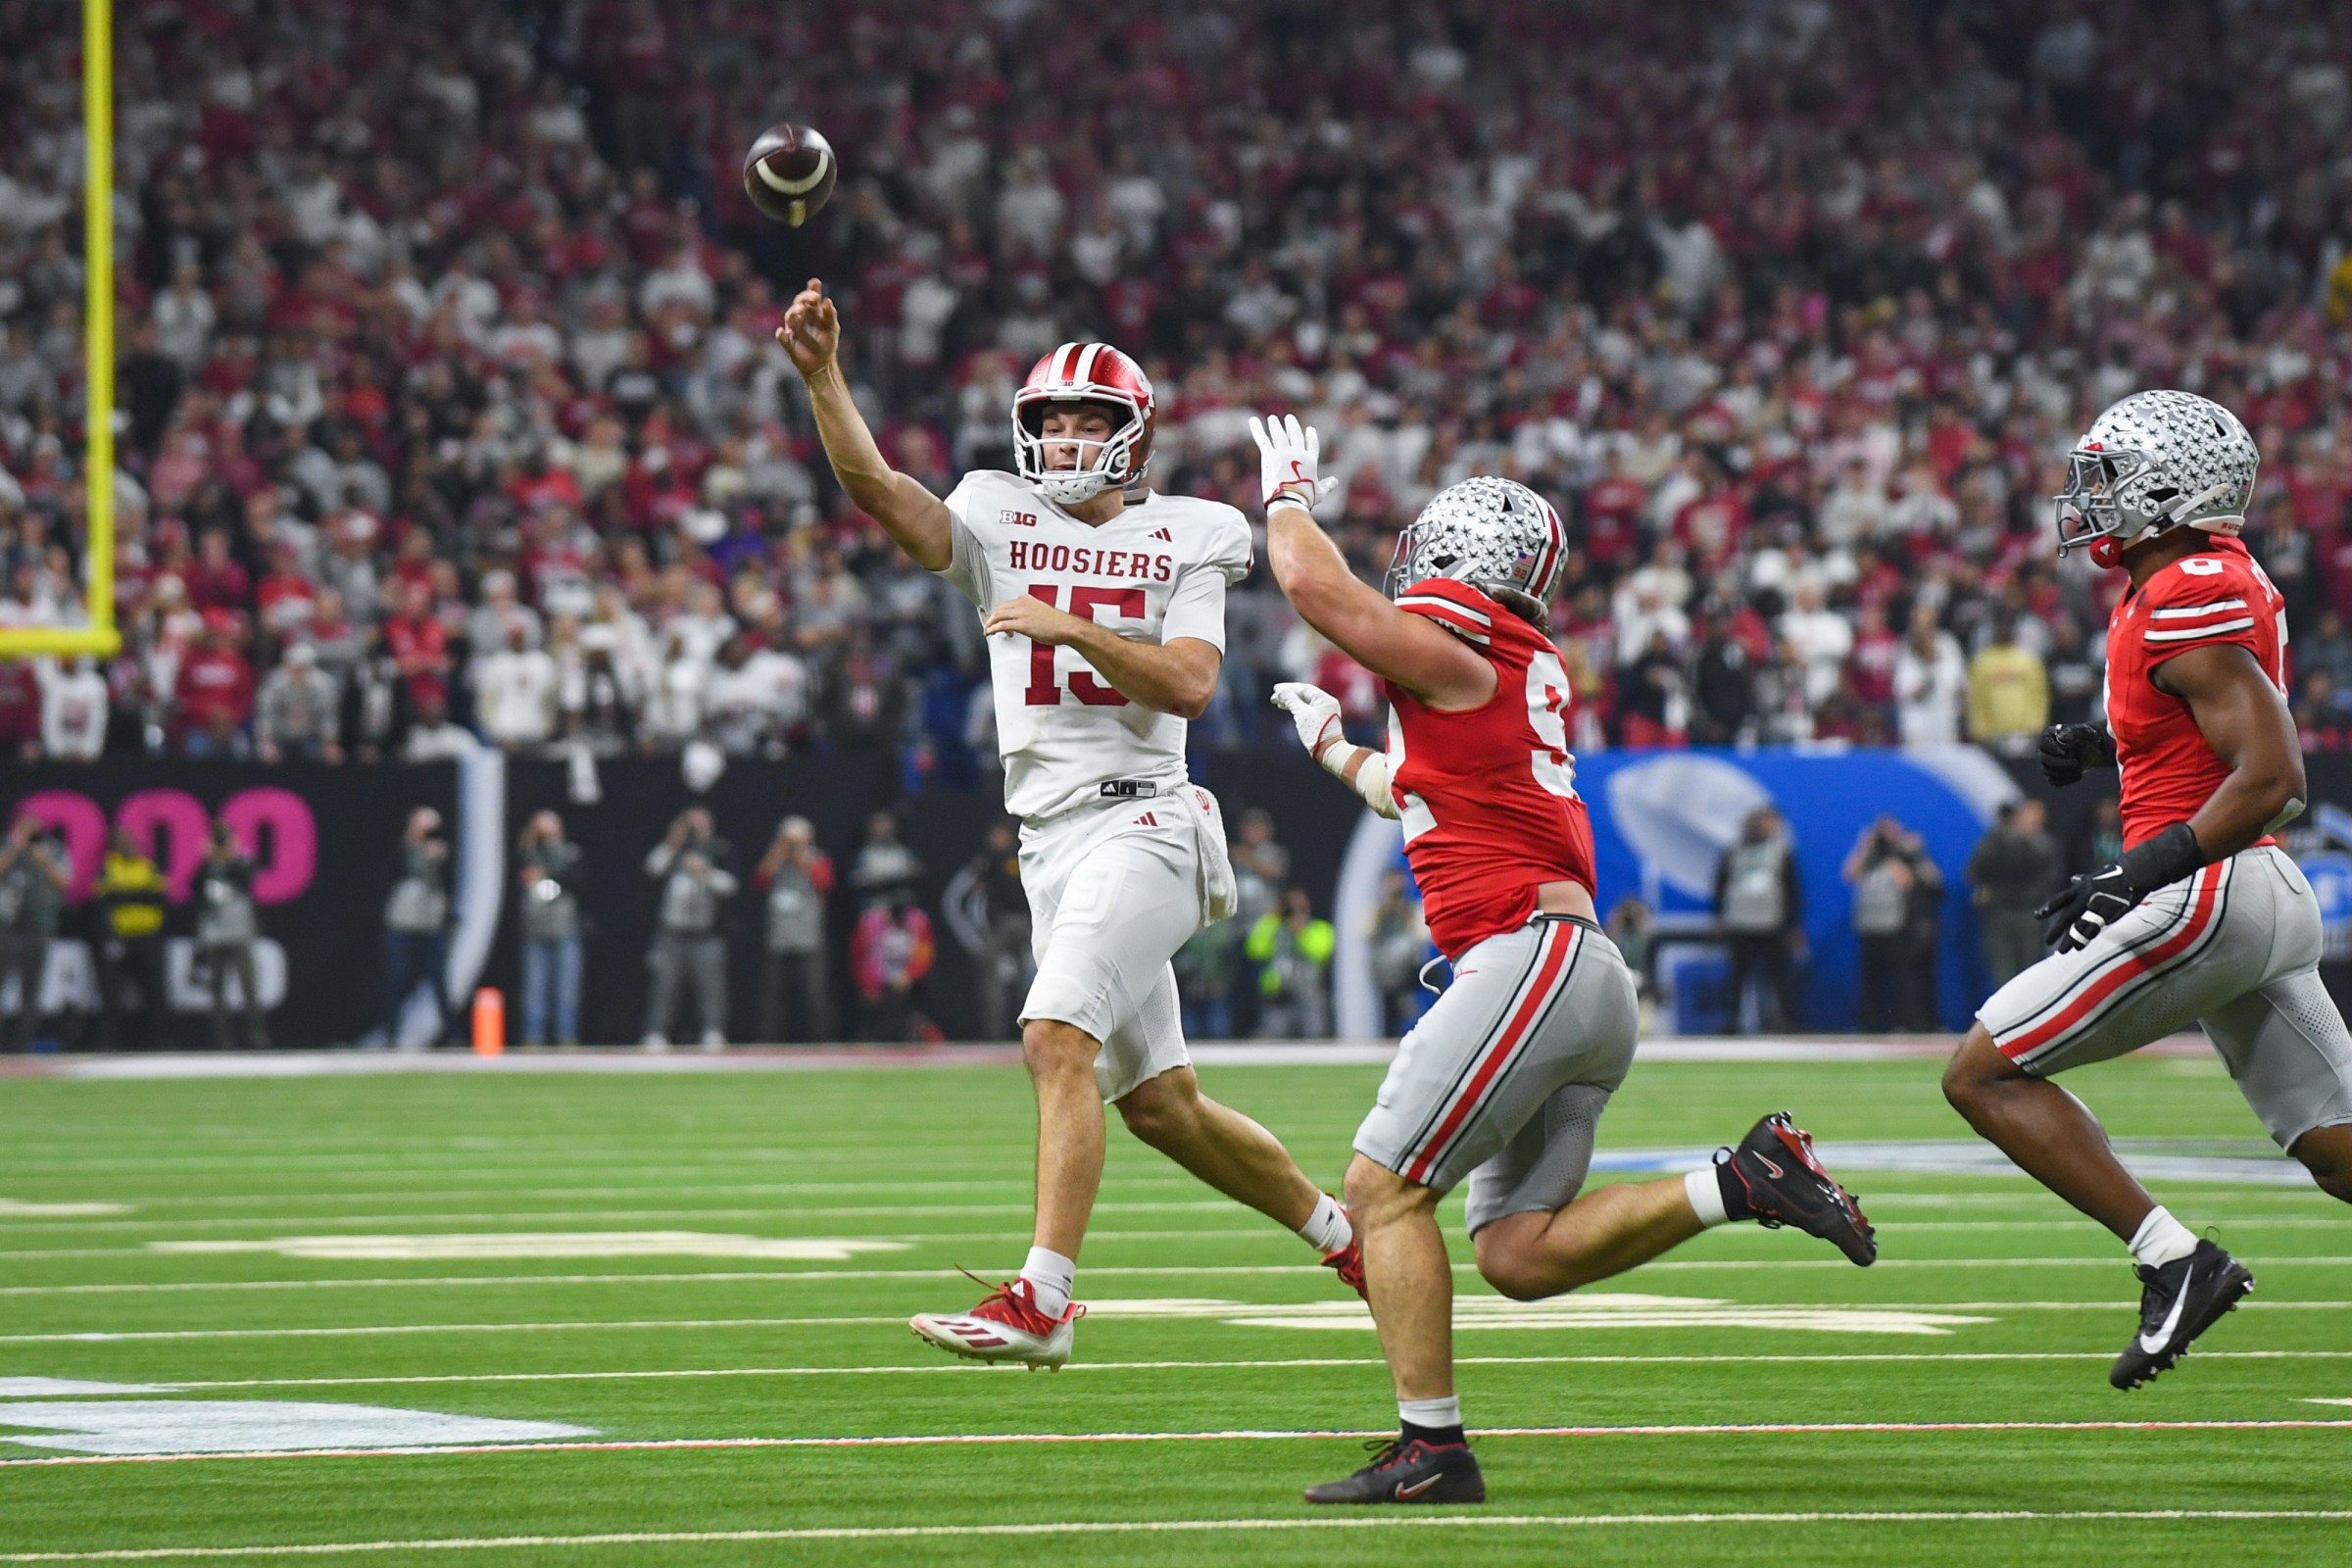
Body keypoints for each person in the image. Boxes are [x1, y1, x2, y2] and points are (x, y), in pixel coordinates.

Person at [1255, 423, 1872, 1507]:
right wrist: (1326, 746)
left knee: (1380, 1190)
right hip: (1574, 975)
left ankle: (1431, 1449)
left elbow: (1321, 591)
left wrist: (1290, 498)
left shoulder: (1463, 640)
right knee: (1518, 1253)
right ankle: (1741, 1179)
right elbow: (1417, 792)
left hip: (1525, 958)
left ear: (1459, 564)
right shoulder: (1498, 673)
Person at [779, 282, 1360, 1369]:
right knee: (1166, 1109)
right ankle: (1352, 1239)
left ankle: (1043, 1300)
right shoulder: (999, 514)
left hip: (1146, 819)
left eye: (1088, 420)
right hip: (1049, 839)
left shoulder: (1190, 531)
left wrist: (1068, 622)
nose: (1063, 438)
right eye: (1047, 419)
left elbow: (1190, 684)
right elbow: (877, 490)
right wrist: (823, 377)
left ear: (1133, 436)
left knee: (1055, 1039)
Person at [1942, 390, 2352, 1391]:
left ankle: (2173, 1255)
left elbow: (2273, 778)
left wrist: (2137, 871)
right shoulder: (2186, 580)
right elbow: (2203, 728)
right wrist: (2109, 743)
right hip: (2258, 895)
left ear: (2170, 490)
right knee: (2341, 1151)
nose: (2087, 496)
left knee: (1982, 1073)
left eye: (2108, 475)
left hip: (2209, 891)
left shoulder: (2184, 589)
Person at [643, 807, 736, 1050]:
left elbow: (731, 886)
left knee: (711, 986)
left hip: (706, 932)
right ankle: (656, 1031)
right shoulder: (673, 850)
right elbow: (652, 869)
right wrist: (672, 842)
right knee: (664, 985)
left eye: (700, 823)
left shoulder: (719, 850)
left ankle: (713, 1030)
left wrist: (704, 871)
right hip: (672, 931)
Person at [1845, 816, 1940, 1032]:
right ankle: (1867, 1022)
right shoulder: (1869, 857)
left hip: (1896, 928)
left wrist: (1899, 854)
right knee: (1870, 980)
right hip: (1870, 927)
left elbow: (1910, 881)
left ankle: (1904, 1021)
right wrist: (1864, 846)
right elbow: (1850, 874)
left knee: (1901, 979)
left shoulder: (1903, 857)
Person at [1713, 807, 1803, 1033]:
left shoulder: (1781, 851)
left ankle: (1784, 1020)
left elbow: (1792, 889)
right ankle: (1733, 1020)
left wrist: (1792, 924)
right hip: (1739, 923)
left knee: (1778, 977)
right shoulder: (1733, 850)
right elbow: (1721, 886)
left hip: (1771, 923)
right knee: (1738, 977)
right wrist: (1719, 916)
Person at [942, 818, 1028, 1042]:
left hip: (1013, 924)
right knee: (1021, 979)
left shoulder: (994, 858)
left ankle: (999, 1033)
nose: (993, 839)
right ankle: (1018, 1033)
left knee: (1000, 977)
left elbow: (968, 895)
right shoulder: (1027, 854)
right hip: (1025, 925)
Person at [755, 815, 836, 1044]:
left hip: (809, 938)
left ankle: (823, 1040)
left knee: (814, 993)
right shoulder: (775, 858)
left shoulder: (817, 858)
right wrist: (778, 853)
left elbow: (825, 883)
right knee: (772, 996)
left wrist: (800, 856)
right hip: (778, 938)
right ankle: (767, 1042)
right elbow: (760, 881)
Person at [381, 807, 456, 1048]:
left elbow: (446, 882)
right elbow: (393, 871)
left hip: (432, 924)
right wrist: (413, 839)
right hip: (402, 923)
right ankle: (392, 1035)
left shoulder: (442, 849)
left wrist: (437, 856)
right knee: (397, 981)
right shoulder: (402, 848)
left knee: (439, 982)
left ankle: (453, 1035)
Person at [1968, 800, 2061, 991]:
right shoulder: (1997, 840)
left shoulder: (2044, 843)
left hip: (2030, 913)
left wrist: (2025, 840)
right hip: (2000, 913)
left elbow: (2050, 876)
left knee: (2030, 971)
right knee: (2002, 972)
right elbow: (1975, 871)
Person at [94, 828, 171, 1051]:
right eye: (122, 842)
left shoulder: (147, 866)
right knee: (112, 995)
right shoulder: (109, 867)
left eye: (130, 841)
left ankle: (158, 1041)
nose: (128, 846)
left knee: (155, 993)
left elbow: (160, 897)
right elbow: (101, 899)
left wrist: (123, 895)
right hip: (120, 938)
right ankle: (112, 1042)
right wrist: (139, 894)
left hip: (148, 937)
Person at [194, 820, 268, 1051]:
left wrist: (229, 858)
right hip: (214, 935)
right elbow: (195, 889)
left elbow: (246, 881)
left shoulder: (242, 860)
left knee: (249, 988)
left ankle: (257, 1037)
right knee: (217, 992)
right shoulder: (208, 865)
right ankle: (222, 1041)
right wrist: (208, 861)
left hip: (240, 933)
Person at [0, 816, 71, 1053]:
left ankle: (21, 1047)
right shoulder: (7, 847)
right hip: (6, 927)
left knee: (31, 991)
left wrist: (45, 860)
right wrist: (15, 848)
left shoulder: (52, 850)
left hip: (38, 927)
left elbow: (64, 883)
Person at [515, 810, 584, 1047]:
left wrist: (549, 870)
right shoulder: (526, 852)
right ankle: (533, 1038)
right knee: (534, 989)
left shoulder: (569, 851)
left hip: (564, 927)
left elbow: (576, 878)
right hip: (534, 928)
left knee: (566, 990)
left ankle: (566, 1038)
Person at [1246, 887, 1336, 1038]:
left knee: (1314, 1042)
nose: (1294, 910)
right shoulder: (1274, 928)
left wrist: (1301, 931)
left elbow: (1319, 953)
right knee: (1275, 1044)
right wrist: (1272, 918)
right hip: (1279, 998)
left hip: (1310, 997)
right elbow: (1254, 949)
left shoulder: (1320, 928)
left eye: (1300, 907)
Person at [852, 884, 936, 1042]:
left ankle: (918, 1030)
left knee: (925, 987)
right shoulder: (870, 922)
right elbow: (863, 957)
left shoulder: (919, 922)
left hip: (909, 979)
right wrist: (870, 985)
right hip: (880, 977)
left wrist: (909, 974)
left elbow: (924, 955)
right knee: (879, 1005)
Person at [1368, 870, 1433, 1035]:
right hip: (1385, 970)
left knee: (1433, 977)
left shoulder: (1412, 910)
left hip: (1410, 969)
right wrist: (1382, 912)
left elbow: (1423, 936)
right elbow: (1364, 933)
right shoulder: (1378, 911)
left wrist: (1407, 917)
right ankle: (1388, 1036)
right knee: (1390, 1011)